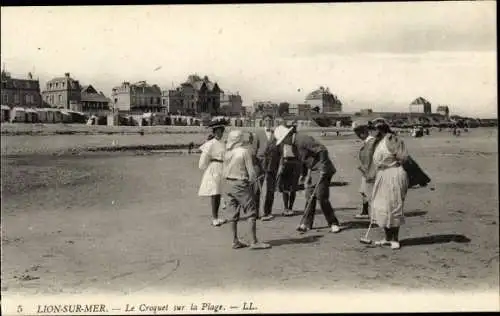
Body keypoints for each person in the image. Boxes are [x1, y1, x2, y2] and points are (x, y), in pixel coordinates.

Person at [274, 125, 343, 234]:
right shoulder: (293, 146)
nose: (283, 143)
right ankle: (307, 223)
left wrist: (323, 167)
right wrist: (304, 175)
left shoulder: (303, 139)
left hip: (323, 169)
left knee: (321, 196)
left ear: (288, 135)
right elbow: (304, 161)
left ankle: (333, 223)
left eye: (283, 140)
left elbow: (322, 150)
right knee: (309, 196)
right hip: (312, 170)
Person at [223, 130, 272, 250]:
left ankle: (234, 240)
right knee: (251, 212)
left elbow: (223, 171)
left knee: (233, 213)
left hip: (228, 184)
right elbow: (251, 172)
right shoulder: (244, 152)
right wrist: (253, 182)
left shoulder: (227, 152)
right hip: (241, 183)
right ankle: (254, 241)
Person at [370, 122, 410, 250]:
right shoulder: (379, 142)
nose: (371, 132)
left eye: (373, 130)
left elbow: (403, 157)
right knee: (381, 206)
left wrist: (393, 164)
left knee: (393, 205)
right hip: (382, 174)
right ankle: (387, 238)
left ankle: (395, 239)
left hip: (393, 174)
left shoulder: (392, 139)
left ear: (380, 130)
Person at [198, 118, 228, 227]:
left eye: (222, 131)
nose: (220, 133)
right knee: (214, 193)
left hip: (222, 168)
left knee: (219, 192)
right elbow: (203, 159)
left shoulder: (223, 143)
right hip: (214, 168)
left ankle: (217, 216)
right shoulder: (210, 144)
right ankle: (214, 218)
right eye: (218, 131)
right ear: (214, 132)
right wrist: (205, 167)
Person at [252, 114, 281, 221]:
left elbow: (279, 151)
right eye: (266, 120)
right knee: (256, 189)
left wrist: (279, 165)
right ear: (263, 121)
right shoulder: (258, 134)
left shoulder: (276, 135)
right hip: (259, 164)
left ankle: (267, 212)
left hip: (272, 165)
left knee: (270, 190)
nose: (268, 122)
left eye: (270, 120)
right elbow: (253, 150)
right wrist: (254, 164)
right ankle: (255, 213)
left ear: (272, 122)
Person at [352, 120, 377, 219]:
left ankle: (375, 215)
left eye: (358, 134)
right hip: (366, 171)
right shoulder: (369, 141)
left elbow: (370, 158)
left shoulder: (371, 142)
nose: (358, 136)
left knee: (370, 193)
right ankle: (365, 212)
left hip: (370, 172)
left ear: (363, 133)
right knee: (363, 192)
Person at [276, 122, 301, 216]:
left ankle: (290, 208)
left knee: (293, 188)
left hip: (294, 164)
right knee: (285, 188)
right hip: (285, 164)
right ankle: (286, 208)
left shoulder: (296, 140)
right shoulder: (282, 140)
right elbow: (280, 154)